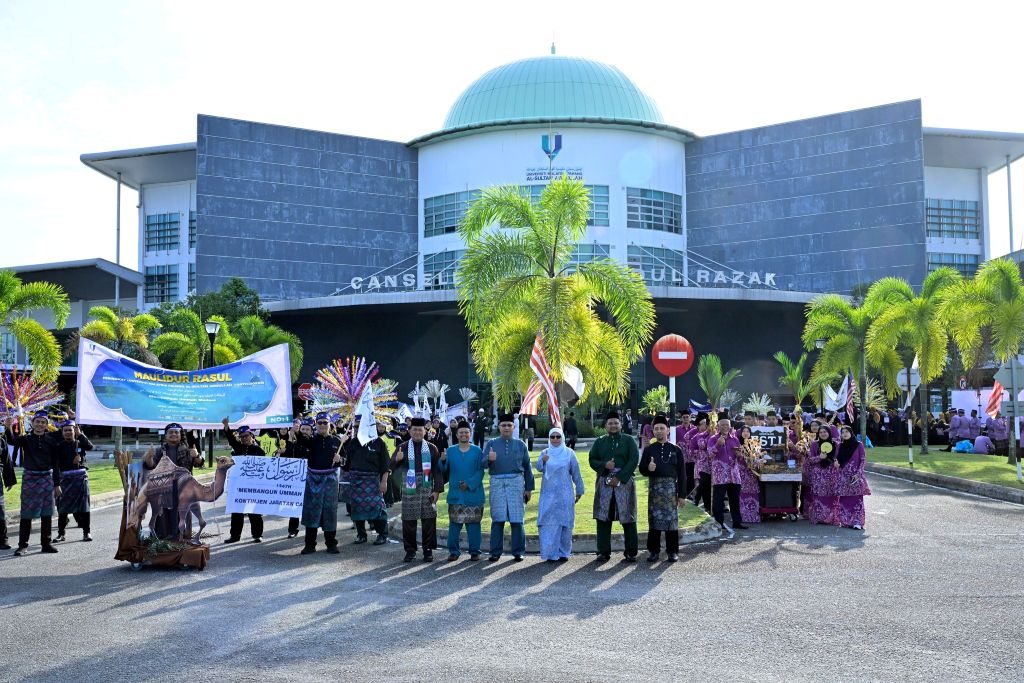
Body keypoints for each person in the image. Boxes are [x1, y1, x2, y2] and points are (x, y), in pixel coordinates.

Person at [6, 412, 61, 556]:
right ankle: (22, 545)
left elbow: (56, 464)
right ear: (32, 422)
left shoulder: (51, 440)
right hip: (30, 478)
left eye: (43, 422)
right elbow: (11, 440)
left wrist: (57, 484)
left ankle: (46, 544)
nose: (40, 424)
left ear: (46, 424)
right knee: (26, 513)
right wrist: (8, 426)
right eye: (38, 421)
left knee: (47, 513)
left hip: (47, 479)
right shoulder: (25, 439)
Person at [589, 411, 640, 562]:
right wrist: (605, 464)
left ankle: (631, 551)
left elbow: (634, 459)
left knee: (628, 516)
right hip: (604, 482)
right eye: (610, 423)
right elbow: (592, 459)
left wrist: (619, 477)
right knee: (603, 517)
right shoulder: (600, 442)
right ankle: (603, 551)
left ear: (621, 425)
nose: (613, 425)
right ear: (605, 426)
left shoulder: (629, 440)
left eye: (616, 423)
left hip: (624, 483)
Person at [391, 417, 444, 562]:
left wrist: (437, 490)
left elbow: (437, 471)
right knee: (408, 520)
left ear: (425, 431)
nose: (417, 432)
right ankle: (410, 550)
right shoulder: (402, 447)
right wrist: (397, 460)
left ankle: (428, 550)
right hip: (409, 487)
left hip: (427, 487)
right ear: (409, 430)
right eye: (414, 429)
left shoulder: (432, 448)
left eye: (420, 430)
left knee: (429, 519)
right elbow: (391, 468)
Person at [484, 414, 534, 562]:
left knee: (517, 518)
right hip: (497, 482)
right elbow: (481, 464)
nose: (506, 428)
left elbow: (527, 467)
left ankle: (518, 551)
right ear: (499, 427)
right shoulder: (491, 443)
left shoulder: (521, 445)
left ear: (513, 427)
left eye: (509, 425)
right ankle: (495, 552)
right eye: (503, 425)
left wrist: (528, 488)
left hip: (516, 483)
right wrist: (488, 459)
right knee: (497, 519)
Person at [293, 413, 346, 554]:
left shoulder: (337, 441)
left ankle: (331, 544)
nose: (322, 425)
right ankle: (310, 545)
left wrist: (340, 459)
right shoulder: (310, 440)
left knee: (330, 512)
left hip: (331, 481)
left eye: (325, 422)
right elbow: (299, 438)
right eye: (319, 422)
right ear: (315, 424)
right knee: (311, 511)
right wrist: (295, 429)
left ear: (330, 424)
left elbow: (346, 463)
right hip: (312, 480)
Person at [535, 427, 584, 562]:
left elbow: (576, 473)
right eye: (553, 437)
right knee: (548, 523)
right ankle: (550, 553)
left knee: (565, 524)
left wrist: (579, 490)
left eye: (558, 437)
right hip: (548, 494)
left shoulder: (569, 453)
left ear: (562, 438)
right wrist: (543, 460)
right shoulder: (545, 452)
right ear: (549, 438)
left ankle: (564, 553)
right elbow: (538, 468)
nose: (555, 439)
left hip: (564, 493)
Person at [639, 415, 684, 562]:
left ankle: (672, 551)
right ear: (653, 431)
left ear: (668, 431)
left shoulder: (676, 450)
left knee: (672, 522)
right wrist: (648, 468)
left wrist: (682, 495)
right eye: (656, 429)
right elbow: (642, 469)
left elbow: (683, 474)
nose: (659, 431)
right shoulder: (649, 450)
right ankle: (654, 551)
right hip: (655, 490)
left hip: (671, 490)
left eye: (662, 428)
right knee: (654, 520)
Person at [342, 420, 391, 546]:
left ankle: (382, 534)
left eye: (359, 426)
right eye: (355, 427)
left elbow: (385, 465)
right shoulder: (352, 443)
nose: (357, 429)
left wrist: (384, 481)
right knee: (356, 509)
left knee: (378, 508)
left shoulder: (379, 442)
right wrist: (338, 461)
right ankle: (361, 535)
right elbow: (347, 466)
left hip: (374, 481)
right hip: (356, 481)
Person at [441, 421, 485, 561]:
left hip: (473, 493)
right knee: (454, 524)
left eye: (466, 432)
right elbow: (443, 469)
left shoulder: (477, 450)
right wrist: (442, 461)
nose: (464, 434)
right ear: (457, 434)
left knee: (473, 525)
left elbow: (480, 471)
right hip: (456, 493)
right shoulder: (450, 450)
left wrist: (469, 484)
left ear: (470, 434)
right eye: (461, 432)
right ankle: (454, 552)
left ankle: (475, 552)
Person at [223, 419, 266, 544]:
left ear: (251, 435)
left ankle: (257, 535)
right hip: (238, 485)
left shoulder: (259, 451)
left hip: (253, 486)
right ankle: (235, 536)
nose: (244, 438)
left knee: (254, 511)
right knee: (237, 511)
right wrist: (226, 426)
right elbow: (231, 439)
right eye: (241, 437)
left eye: (246, 436)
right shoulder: (239, 447)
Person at [54, 420, 94, 543]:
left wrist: (81, 434)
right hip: (65, 479)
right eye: (65, 430)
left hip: (80, 479)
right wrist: (72, 462)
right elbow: (56, 465)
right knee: (63, 507)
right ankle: (61, 533)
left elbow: (90, 446)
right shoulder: (58, 446)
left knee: (84, 507)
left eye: (70, 430)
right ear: (62, 432)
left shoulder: (79, 442)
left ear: (74, 431)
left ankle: (86, 532)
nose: (67, 432)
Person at [707, 417, 747, 531]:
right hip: (720, 476)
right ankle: (719, 523)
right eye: (722, 425)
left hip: (734, 474)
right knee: (718, 501)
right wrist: (718, 445)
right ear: (718, 427)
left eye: (727, 425)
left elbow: (739, 457)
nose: (725, 427)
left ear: (730, 426)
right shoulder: (713, 439)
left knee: (734, 500)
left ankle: (737, 522)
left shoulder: (735, 439)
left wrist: (740, 455)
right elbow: (710, 455)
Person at [282, 417, 315, 538]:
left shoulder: (314, 442)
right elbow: (288, 455)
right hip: (297, 479)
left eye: (307, 429)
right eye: (303, 429)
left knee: (311, 505)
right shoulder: (297, 442)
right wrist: (290, 437)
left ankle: (311, 530)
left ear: (312, 430)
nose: (305, 431)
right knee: (295, 505)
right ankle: (292, 530)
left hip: (313, 478)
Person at [835, 425, 871, 530]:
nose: (845, 434)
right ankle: (846, 521)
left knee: (856, 500)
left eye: (847, 431)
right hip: (842, 477)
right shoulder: (839, 446)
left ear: (851, 433)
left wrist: (858, 474)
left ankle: (857, 522)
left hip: (855, 478)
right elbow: (836, 460)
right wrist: (836, 464)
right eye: (843, 432)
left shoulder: (858, 445)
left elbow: (863, 460)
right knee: (844, 500)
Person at [807, 426, 841, 525]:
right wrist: (819, 457)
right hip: (819, 474)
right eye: (821, 432)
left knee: (832, 496)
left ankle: (832, 518)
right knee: (819, 496)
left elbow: (839, 458)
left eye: (825, 432)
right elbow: (810, 460)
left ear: (829, 433)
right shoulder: (814, 444)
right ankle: (819, 517)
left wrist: (836, 462)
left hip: (832, 473)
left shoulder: (836, 444)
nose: (823, 434)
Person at [736, 425, 763, 524]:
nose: (746, 433)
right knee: (741, 494)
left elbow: (758, 457)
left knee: (752, 493)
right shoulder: (737, 444)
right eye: (744, 431)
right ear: (741, 433)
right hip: (741, 473)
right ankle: (742, 516)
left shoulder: (755, 444)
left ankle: (753, 516)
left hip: (752, 473)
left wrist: (758, 461)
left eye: (748, 431)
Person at [688, 414, 712, 513]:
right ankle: (696, 498)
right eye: (704, 424)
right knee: (703, 482)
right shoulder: (698, 436)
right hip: (702, 463)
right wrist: (700, 453)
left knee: (708, 486)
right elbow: (692, 450)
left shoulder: (717, 435)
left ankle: (707, 506)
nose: (706, 426)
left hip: (713, 464)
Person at [0, 423, 14, 549]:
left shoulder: (1, 441)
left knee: (0, 510)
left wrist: (9, 480)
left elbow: (6, 460)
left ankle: (3, 539)